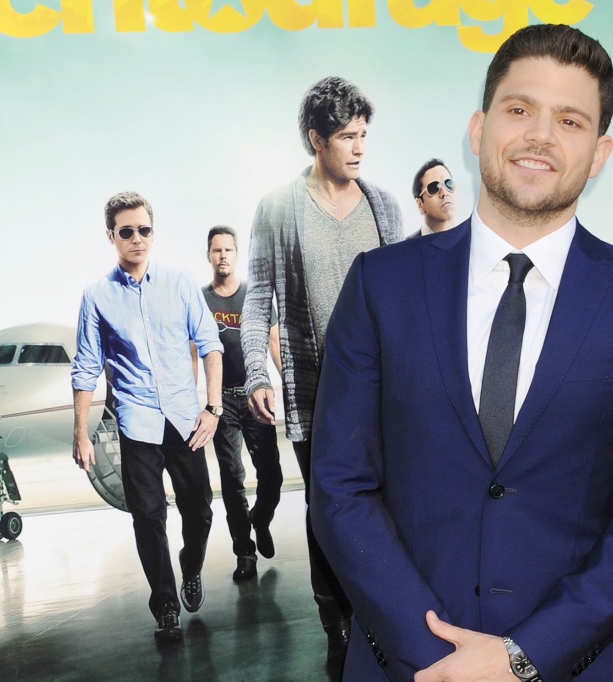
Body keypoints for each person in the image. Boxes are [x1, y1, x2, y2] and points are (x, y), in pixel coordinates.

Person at [309, 24, 613, 682]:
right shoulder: (380, 286)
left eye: (570, 120)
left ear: (600, 152)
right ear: (478, 128)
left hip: (575, 667)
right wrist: (434, 657)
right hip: (407, 667)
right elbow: (340, 487)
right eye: (519, 110)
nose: (541, 137)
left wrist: (523, 657)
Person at [240, 76, 404, 680]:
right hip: (314, 392)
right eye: (346, 137)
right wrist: (258, 370)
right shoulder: (279, 209)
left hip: (384, 392)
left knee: (389, 506)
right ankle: (334, 621)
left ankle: (380, 617)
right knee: (328, 511)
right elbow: (259, 300)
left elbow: (405, 299)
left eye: (364, 135)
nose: (359, 148)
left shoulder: (384, 206)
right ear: (316, 140)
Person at [71, 191, 222, 643]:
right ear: (111, 237)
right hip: (135, 423)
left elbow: (210, 345)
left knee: (199, 509)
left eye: (144, 230)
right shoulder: (96, 296)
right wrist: (81, 433)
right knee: (148, 517)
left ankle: (190, 567)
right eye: (127, 232)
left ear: (153, 232)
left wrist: (212, 407)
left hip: (184, 420)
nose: (137, 239)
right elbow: (85, 367)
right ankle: (166, 605)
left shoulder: (179, 283)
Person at [202, 225, 283, 583]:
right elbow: (194, 352)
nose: (222, 256)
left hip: (255, 396)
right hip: (223, 404)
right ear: (209, 255)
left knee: (272, 474)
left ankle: (261, 519)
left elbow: (275, 344)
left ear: (237, 255)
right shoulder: (201, 300)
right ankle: (244, 553)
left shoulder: (255, 296)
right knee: (232, 479)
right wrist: (202, 403)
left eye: (228, 251)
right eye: (216, 250)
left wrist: (290, 385)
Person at [408, 158, 459, 237]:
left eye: (449, 183)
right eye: (434, 188)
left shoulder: (473, 240)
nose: (445, 193)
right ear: (420, 205)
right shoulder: (406, 247)